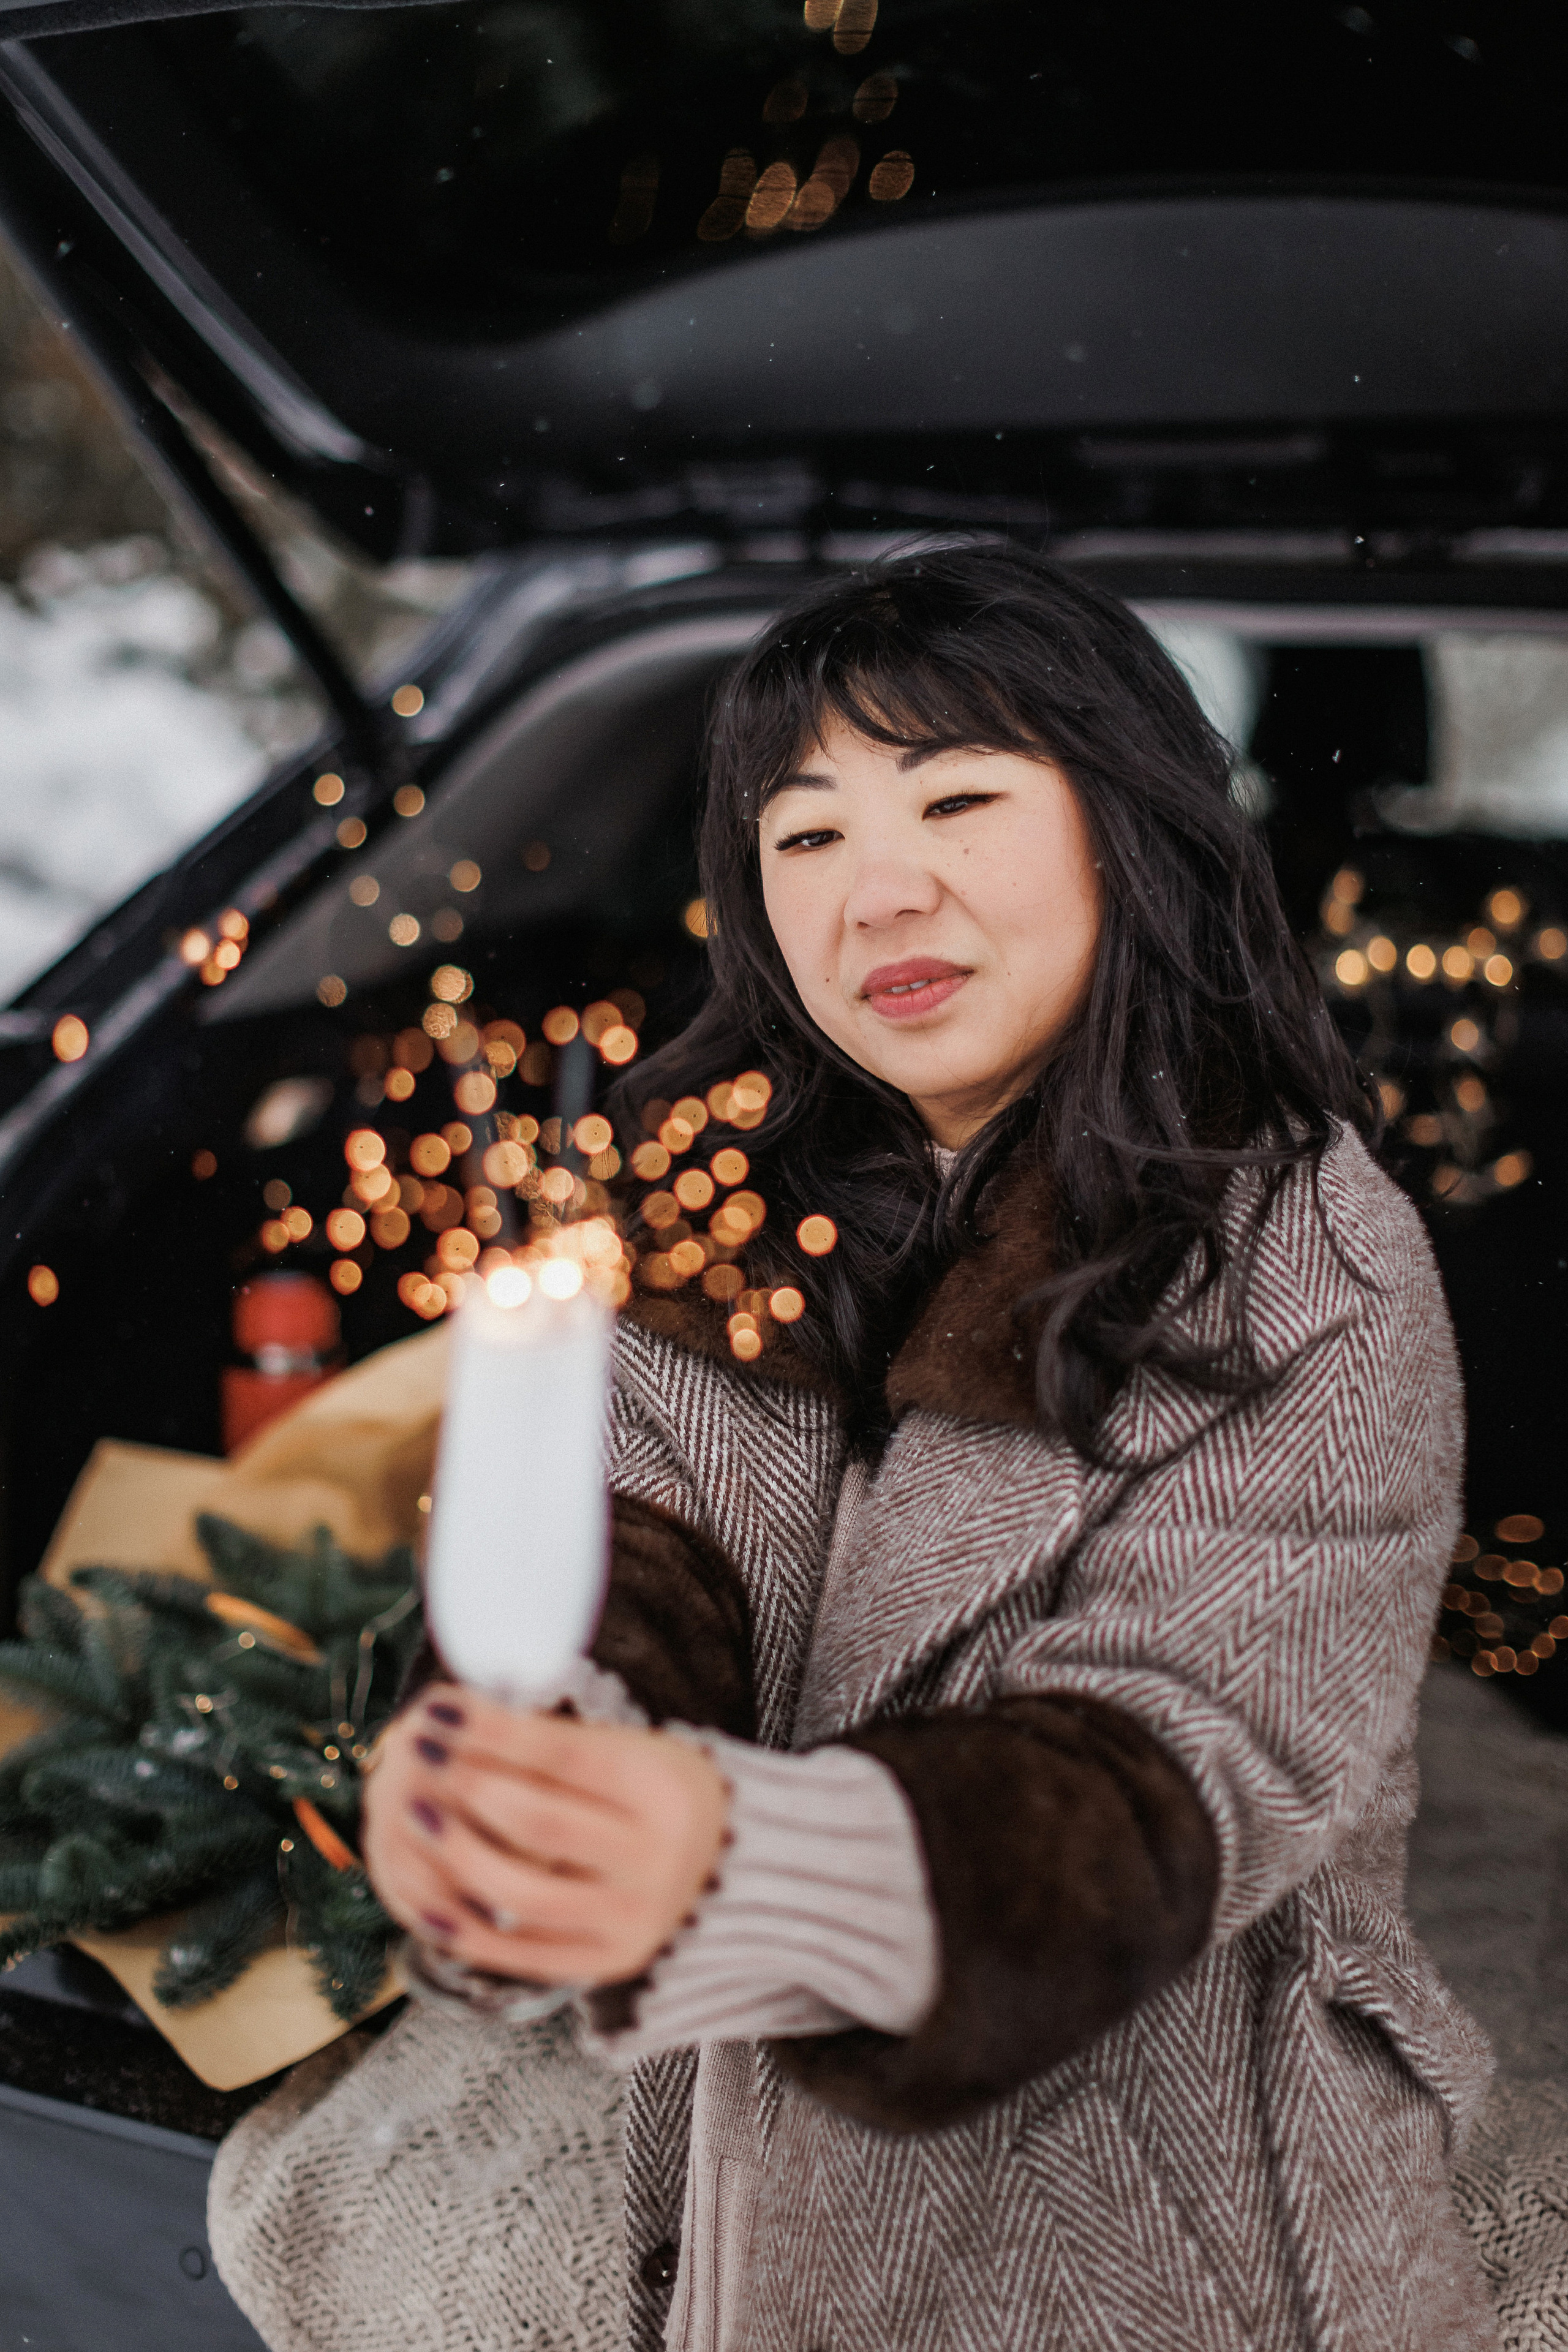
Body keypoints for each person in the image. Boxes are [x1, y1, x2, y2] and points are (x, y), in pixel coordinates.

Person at [362, 545, 1497, 2352]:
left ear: (1129, 828)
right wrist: (530, 1779)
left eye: (959, 798)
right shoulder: (708, 1216)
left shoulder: (1303, 1250)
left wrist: (729, 1857)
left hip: (1158, 2195)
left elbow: (1181, 1770)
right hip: (724, 2173)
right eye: (804, 838)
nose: (877, 894)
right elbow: (633, 1566)